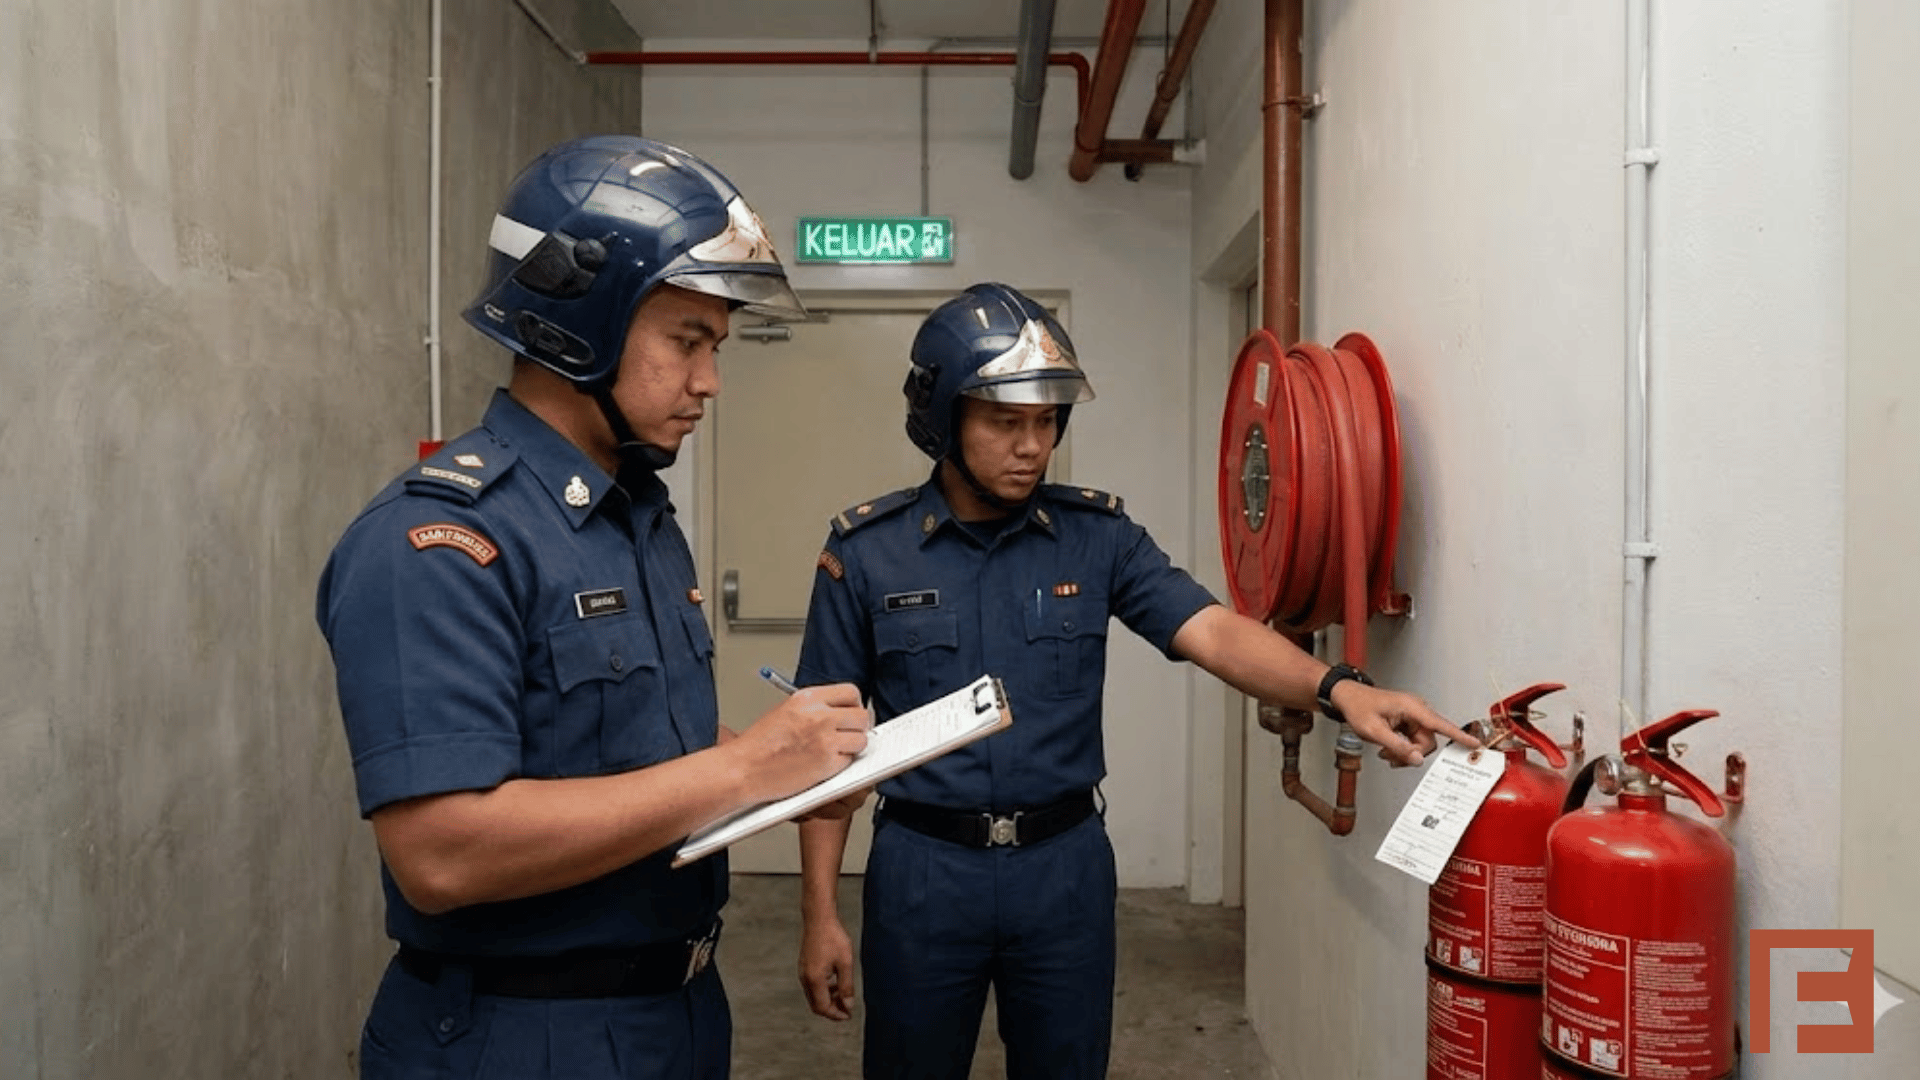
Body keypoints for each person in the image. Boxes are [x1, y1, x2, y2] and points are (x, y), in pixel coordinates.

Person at [792, 282, 1476, 1080]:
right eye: (1006, 423)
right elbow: (823, 753)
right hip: (924, 870)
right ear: (943, 421)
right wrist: (819, 912)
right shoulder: (866, 554)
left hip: (1064, 868)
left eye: (1046, 422)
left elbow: (1212, 630)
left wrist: (1340, 690)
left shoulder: (1097, 539)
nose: (1032, 447)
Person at [316, 135, 872, 1080]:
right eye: (685, 342)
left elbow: (628, 746)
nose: (708, 383)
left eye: (716, 348)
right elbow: (443, 853)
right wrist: (743, 768)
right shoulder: (439, 542)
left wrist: (785, 771)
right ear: (580, 322)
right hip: (524, 1035)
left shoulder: (636, 516)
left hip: (678, 1013)